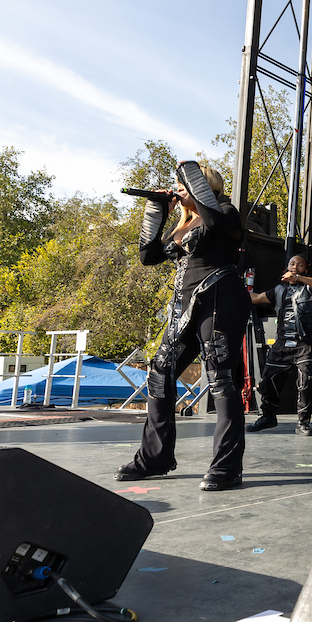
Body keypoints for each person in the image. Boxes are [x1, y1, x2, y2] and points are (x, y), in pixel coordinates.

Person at [115, 161, 247, 491]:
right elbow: (148, 256)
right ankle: (154, 459)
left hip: (220, 297)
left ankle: (227, 467)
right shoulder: (184, 225)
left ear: (204, 185)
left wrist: (188, 170)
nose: (179, 189)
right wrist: (157, 209)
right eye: (178, 186)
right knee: (159, 375)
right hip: (184, 307)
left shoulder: (225, 211)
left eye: (184, 185)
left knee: (221, 378)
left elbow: (216, 221)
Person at [246, 255, 312, 436]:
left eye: (300, 265)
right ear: (286, 269)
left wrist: (298, 278)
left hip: (305, 343)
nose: (295, 266)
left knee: (307, 383)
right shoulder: (279, 290)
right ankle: (267, 416)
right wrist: (234, 290)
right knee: (268, 381)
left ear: (305, 269)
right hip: (282, 343)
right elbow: (257, 298)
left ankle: (302, 423)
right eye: (292, 264)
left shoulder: (309, 287)